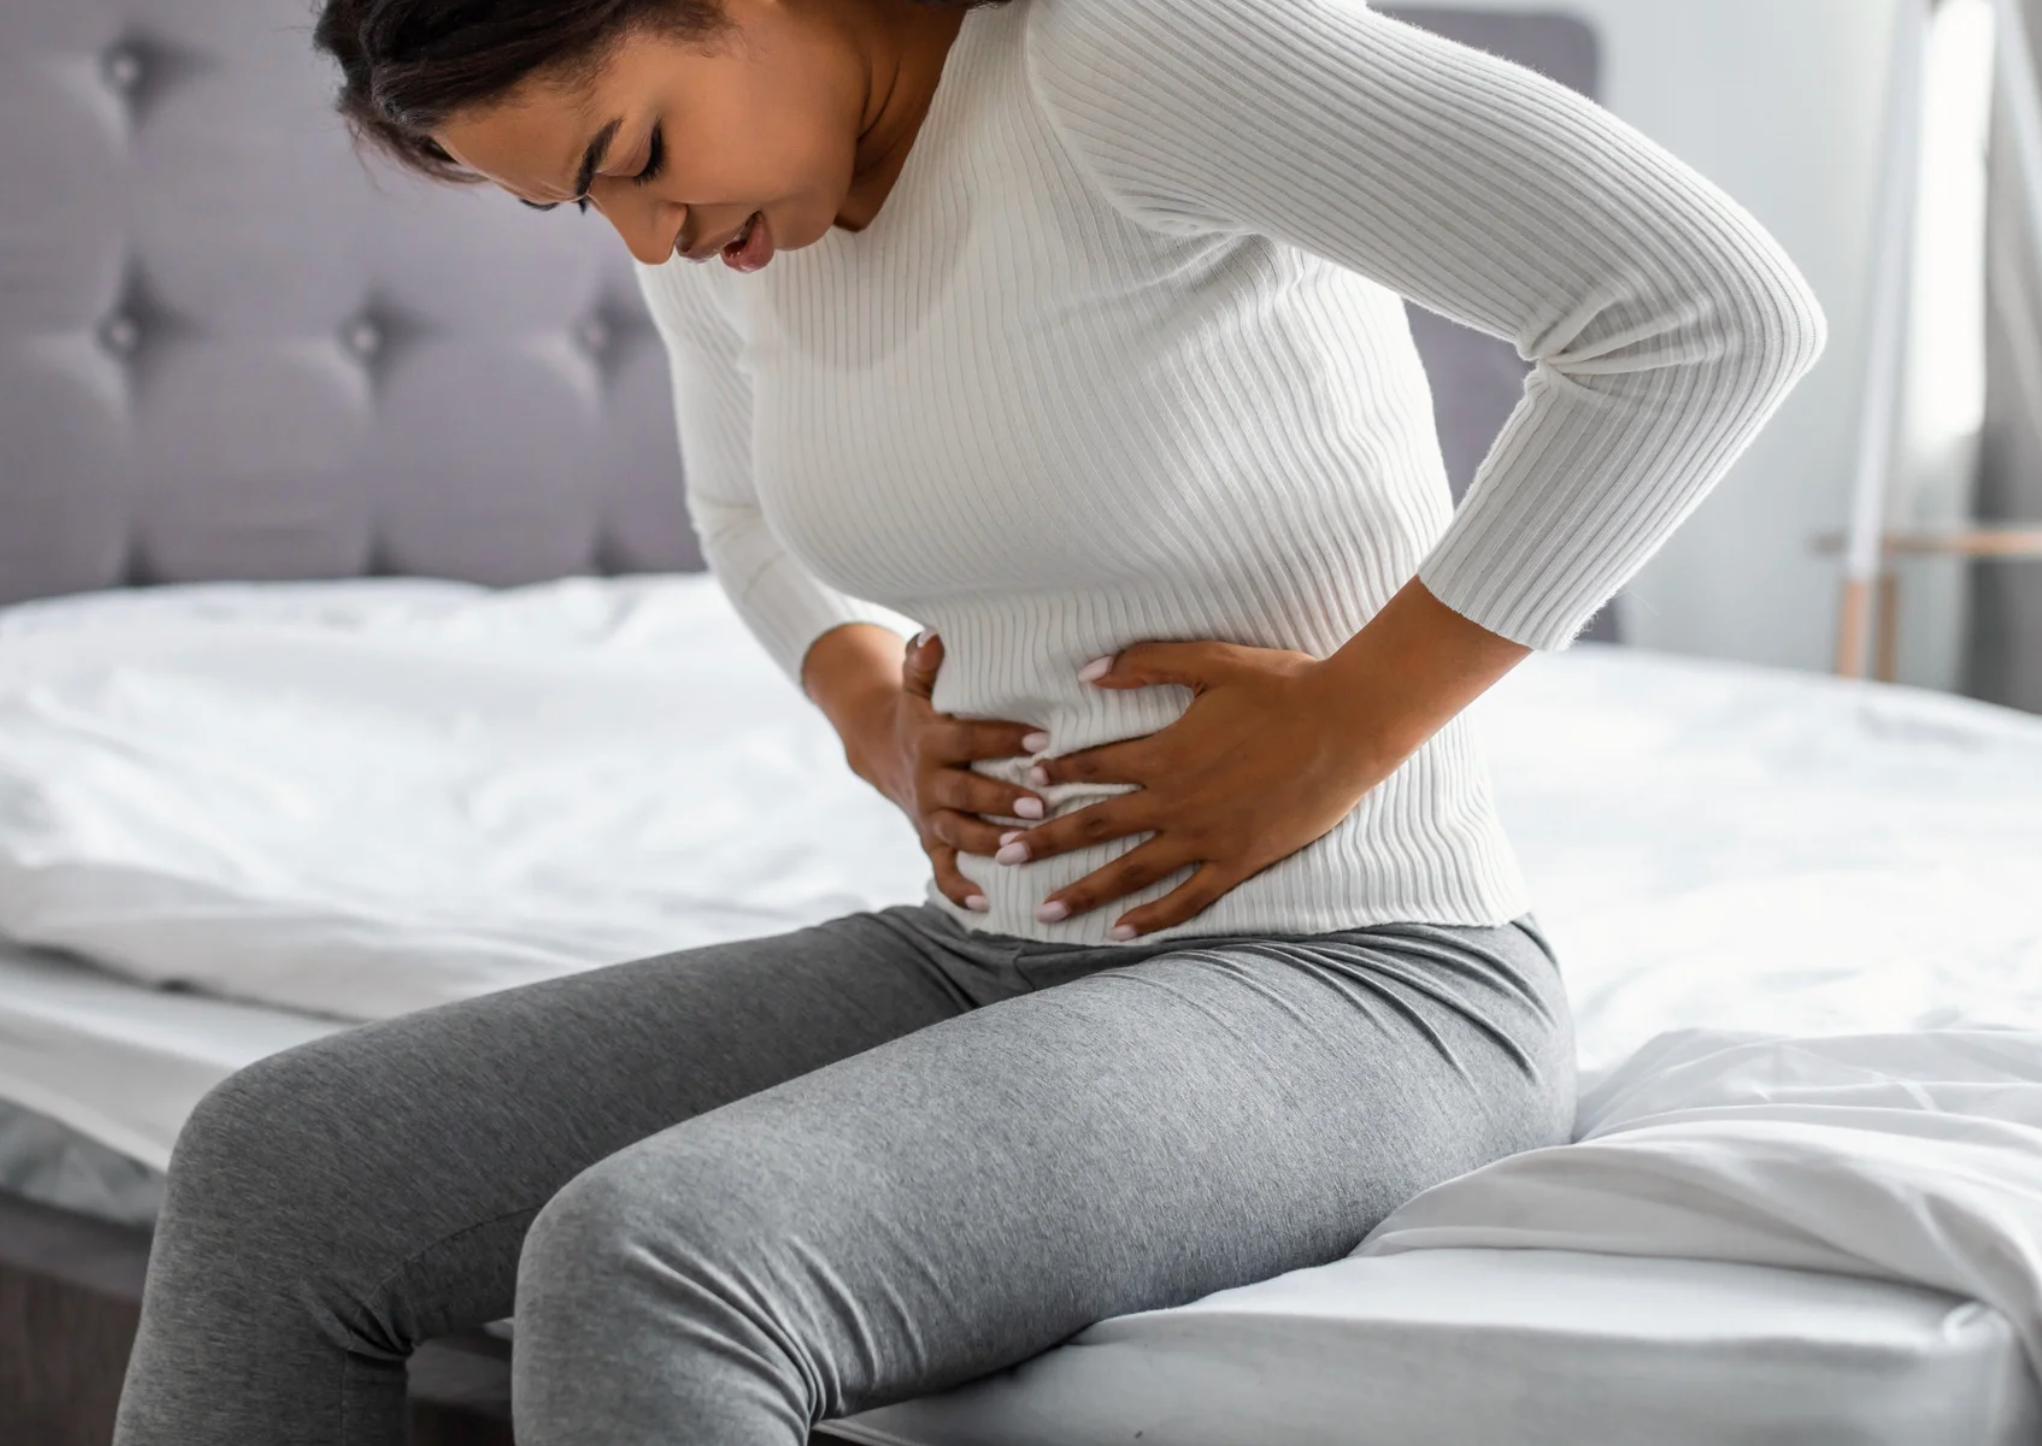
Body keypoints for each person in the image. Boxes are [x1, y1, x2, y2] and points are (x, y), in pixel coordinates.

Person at [111, 0, 1827, 1441]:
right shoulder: (735, 212)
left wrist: (1352, 721)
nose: (642, 235)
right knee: (279, 1159)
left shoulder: (1123, 51)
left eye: (631, 157)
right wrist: (867, 704)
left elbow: (1701, 312)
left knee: (658, 1254)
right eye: (580, 207)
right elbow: (746, 516)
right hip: (981, 954)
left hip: (1365, 977)